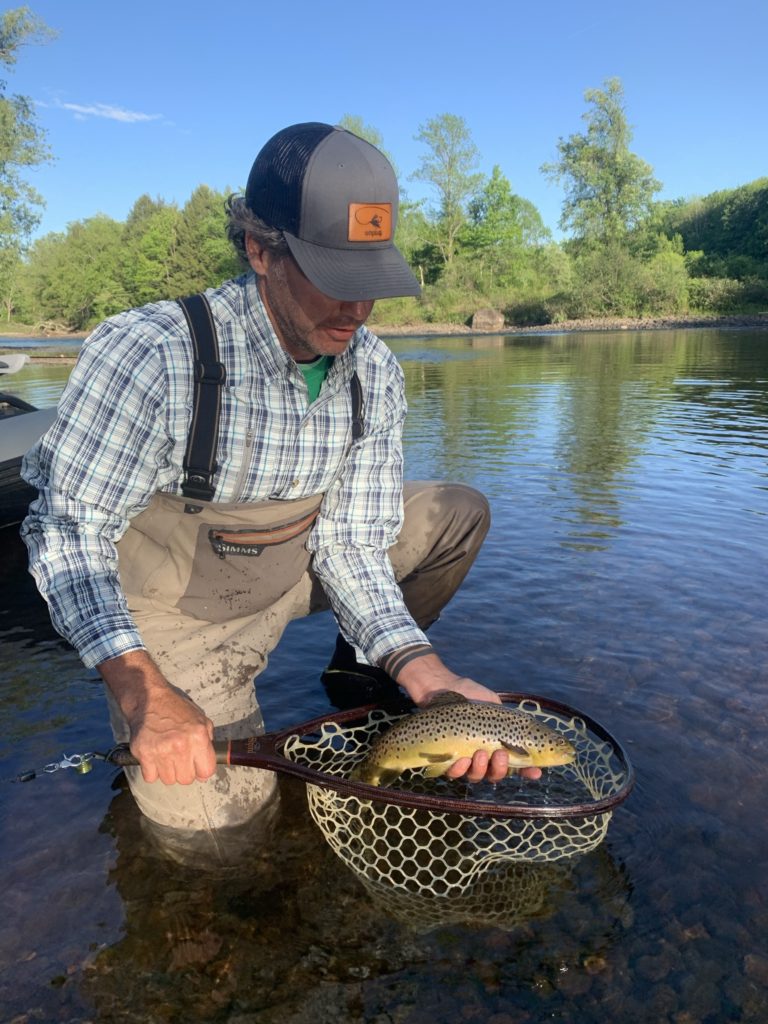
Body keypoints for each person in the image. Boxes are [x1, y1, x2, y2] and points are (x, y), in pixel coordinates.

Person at [21, 122, 540, 853]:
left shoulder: (376, 373)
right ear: (260, 250)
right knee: (225, 841)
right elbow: (67, 532)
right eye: (336, 279)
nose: (357, 312)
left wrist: (424, 671)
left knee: (455, 514)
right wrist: (145, 694)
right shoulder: (154, 353)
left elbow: (355, 542)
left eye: (373, 284)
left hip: (294, 567)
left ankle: (360, 669)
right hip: (179, 614)